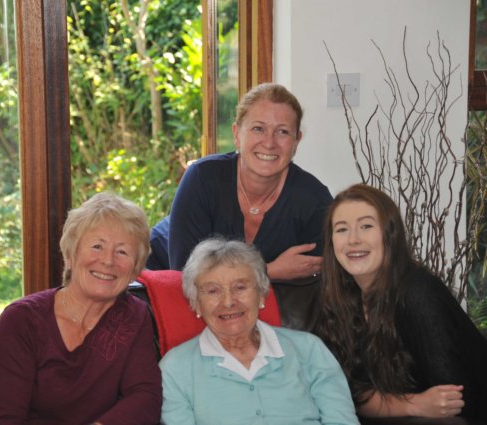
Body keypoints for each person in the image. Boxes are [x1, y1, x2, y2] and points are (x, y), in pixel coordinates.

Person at [0, 192, 162, 425]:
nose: (108, 261)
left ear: (135, 269)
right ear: (70, 256)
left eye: (122, 251)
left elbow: (144, 396)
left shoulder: (134, 316)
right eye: (97, 246)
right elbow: (2, 420)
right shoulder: (21, 321)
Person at [314, 183, 487, 421]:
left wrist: (400, 405)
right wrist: (414, 404)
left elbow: (454, 402)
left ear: (390, 235)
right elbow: (347, 394)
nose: (353, 239)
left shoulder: (418, 293)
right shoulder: (337, 298)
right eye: (342, 229)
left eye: (366, 226)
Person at [159, 237, 359, 425]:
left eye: (240, 287)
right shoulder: (175, 368)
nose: (228, 302)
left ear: (262, 294)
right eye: (213, 291)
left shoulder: (309, 349)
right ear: (196, 304)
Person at [148, 83, 332, 280]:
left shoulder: (315, 201)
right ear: (237, 134)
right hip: (157, 279)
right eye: (258, 129)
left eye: (283, 132)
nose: (269, 143)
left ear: (296, 141)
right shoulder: (202, 177)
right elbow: (185, 278)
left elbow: (323, 282)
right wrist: (269, 271)